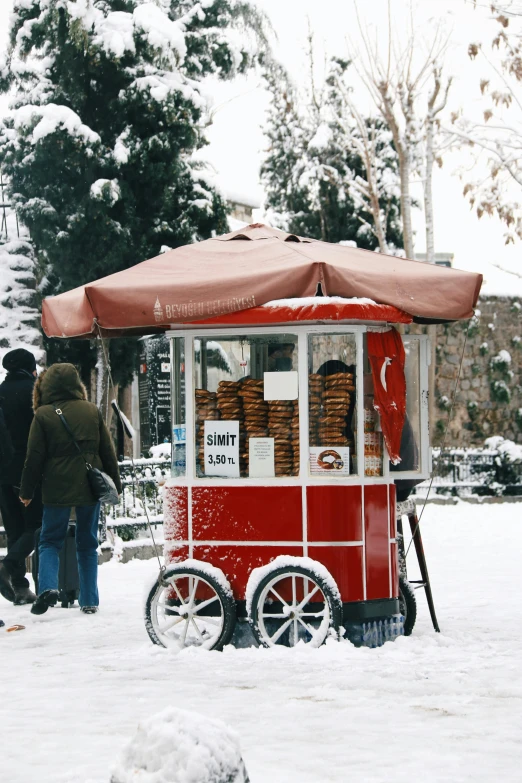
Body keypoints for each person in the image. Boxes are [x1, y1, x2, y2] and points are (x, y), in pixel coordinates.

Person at [19, 363, 122, 615]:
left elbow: (34, 457)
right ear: (77, 384)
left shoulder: (42, 415)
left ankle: (48, 588)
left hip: (56, 486)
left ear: (47, 386)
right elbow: (107, 452)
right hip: (89, 485)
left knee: (50, 540)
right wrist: (116, 485)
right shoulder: (91, 411)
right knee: (87, 543)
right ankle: (89, 600)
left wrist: (27, 491)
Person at [0, 348, 42, 605]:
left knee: (14, 528)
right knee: (36, 525)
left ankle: (19, 586)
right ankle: (8, 565)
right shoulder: (35, 393)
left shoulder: (0, 393)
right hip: (29, 470)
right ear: (31, 369)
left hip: (2, 473)